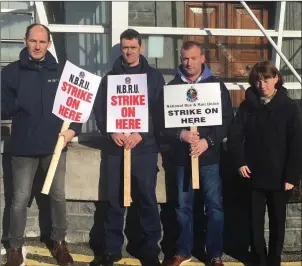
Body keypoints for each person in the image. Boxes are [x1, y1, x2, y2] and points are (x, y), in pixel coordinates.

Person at [1, 24, 82, 266]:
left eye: (42, 42)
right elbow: (3, 107)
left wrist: (73, 129)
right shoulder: (11, 72)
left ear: (48, 43)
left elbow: (79, 101)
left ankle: (59, 243)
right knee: (19, 198)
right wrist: (21, 101)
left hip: (55, 145)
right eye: (33, 41)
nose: (37, 46)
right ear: (25, 41)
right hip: (23, 147)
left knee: (57, 196)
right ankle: (15, 247)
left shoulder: (61, 70)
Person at [92, 29, 165, 266]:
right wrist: (111, 132)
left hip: (144, 148)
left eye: (133, 47)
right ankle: (112, 250)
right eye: (125, 47)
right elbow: (100, 111)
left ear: (141, 48)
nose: (129, 51)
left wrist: (141, 133)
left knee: (146, 198)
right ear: (121, 49)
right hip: (116, 148)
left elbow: (160, 112)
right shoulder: (109, 78)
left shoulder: (154, 77)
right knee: (113, 200)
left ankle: (150, 249)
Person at [159, 41, 233, 266]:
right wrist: (180, 134)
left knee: (214, 206)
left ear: (203, 58)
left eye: (192, 58)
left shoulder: (216, 86)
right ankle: (183, 251)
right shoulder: (171, 88)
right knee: (183, 206)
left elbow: (226, 120)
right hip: (182, 159)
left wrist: (207, 141)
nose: (188, 63)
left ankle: (215, 254)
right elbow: (162, 123)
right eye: (184, 59)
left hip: (209, 158)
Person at [227, 60, 302, 266]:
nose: (262, 85)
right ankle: (259, 259)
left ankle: (274, 259)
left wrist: (291, 176)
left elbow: (296, 143)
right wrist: (240, 162)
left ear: (276, 78)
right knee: (254, 223)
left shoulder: (289, 107)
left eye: (267, 79)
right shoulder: (247, 106)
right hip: (253, 175)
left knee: (278, 222)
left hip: (280, 178)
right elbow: (234, 136)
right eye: (258, 80)